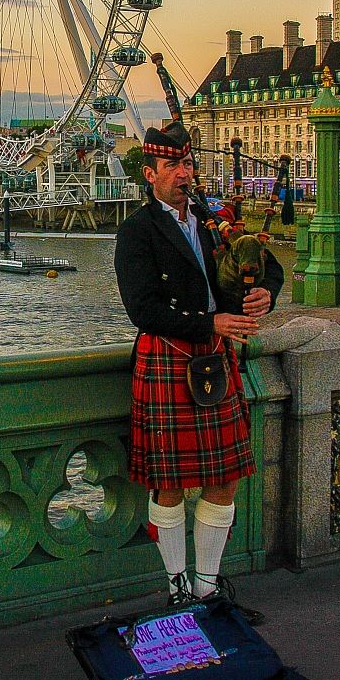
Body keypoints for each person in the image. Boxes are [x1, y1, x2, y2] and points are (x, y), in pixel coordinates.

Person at [114, 122, 283, 620]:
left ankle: (207, 589)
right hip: (169, 355)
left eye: (188, 164)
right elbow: (142, 310)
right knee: (168, 484)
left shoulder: (215, 220)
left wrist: (265, 292)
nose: (184, 174)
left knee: (224, 478)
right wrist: (210, 320)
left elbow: (265, 262)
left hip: (217, 355)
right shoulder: (137, 232)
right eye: (173, 166)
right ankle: (178, 589)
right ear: (151, 174)